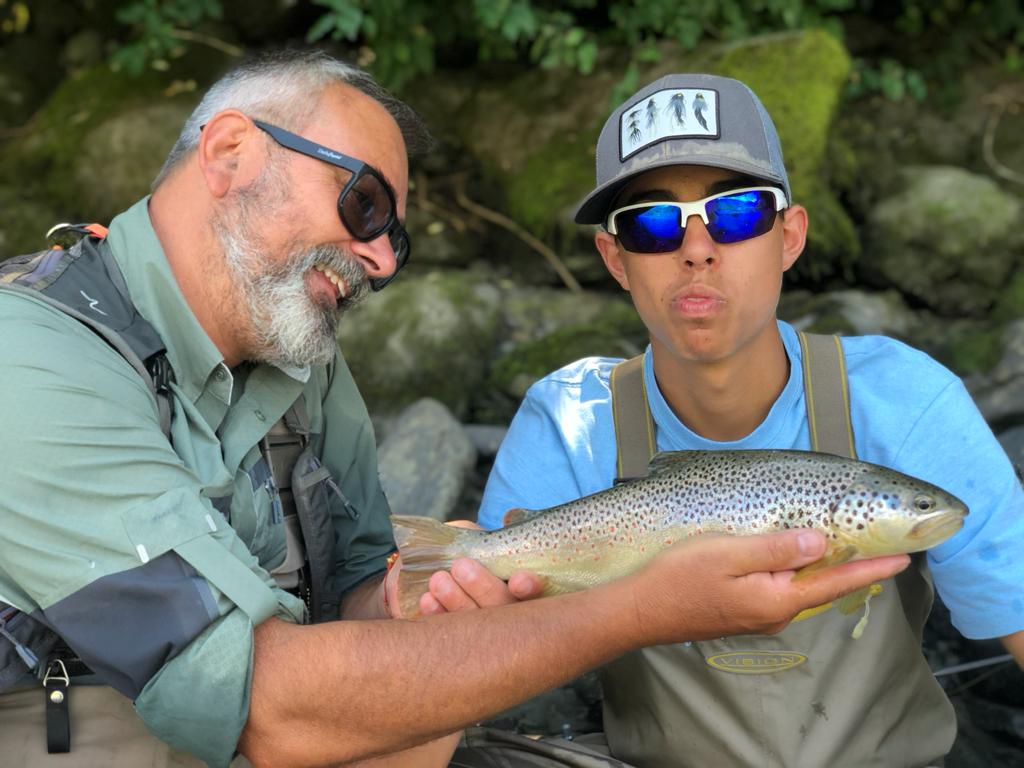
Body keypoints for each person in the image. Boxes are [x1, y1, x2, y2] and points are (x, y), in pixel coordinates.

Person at [0, 53, 910, 768]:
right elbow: (264, 706)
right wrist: (638, 608)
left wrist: (450, 604)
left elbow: (368, 600)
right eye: (361, 202)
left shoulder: (304, 367)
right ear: (230, 154)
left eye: (391, 233)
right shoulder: (28, 361)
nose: (383, 260)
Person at [444, 73, 1024, 767]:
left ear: (790, 236)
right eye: (651, 224)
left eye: (739, 212)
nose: (697, 248)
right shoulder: (566, 421)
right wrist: (461, 592)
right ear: (615, 260)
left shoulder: (907, 399)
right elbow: (478, 664)